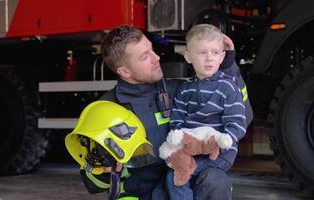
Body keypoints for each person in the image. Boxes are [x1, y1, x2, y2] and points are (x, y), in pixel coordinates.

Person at [78, 25, 252, 200]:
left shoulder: (180, 90)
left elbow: (243, 118)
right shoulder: (108, 110)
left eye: (152, 50)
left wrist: (229, 68)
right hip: (140, 194)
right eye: (145, 56)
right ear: (124, 71)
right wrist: (104, 169)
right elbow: (92, 183)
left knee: (215, 179)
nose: (156, 57)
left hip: (183, 185)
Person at [165, 24, 247, 200]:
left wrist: (224, 140)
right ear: (188, 56)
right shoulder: (184, 89)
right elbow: (177, 120)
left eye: (215, 52)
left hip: (219, 153)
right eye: (202, 53)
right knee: (172, 177)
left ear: (222, 56)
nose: (209, 58)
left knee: (183, 172)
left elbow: (237, 123)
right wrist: (181, 140)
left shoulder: (228, 87)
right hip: (190, 148)